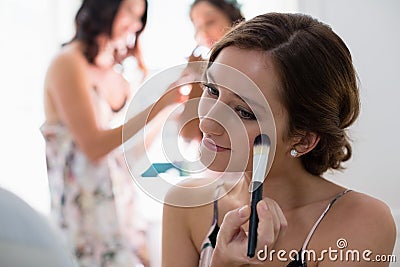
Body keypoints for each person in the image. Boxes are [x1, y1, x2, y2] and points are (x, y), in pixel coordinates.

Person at [162, 13, 396, 267]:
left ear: (302, 140)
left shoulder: (362, 222)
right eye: (212, 90)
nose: (207, 122)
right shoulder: (186, 204)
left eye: (243, 112)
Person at [41, 0, 182, 266]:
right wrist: (156, 107)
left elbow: (128, 155)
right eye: (130, 11)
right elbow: (93, 146)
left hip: (121, 216)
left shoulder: (117, 73)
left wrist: (167, 108)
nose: (137, 23)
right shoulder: (67, 63)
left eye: (140, 16)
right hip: (84, 222)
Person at [178, 0, 244, 144]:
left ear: (234, 19)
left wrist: (197, 79)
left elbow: (187, 132)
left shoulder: (246, 67)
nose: (203, 32)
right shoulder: (208, 71)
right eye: (197, 26)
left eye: (210, 22)